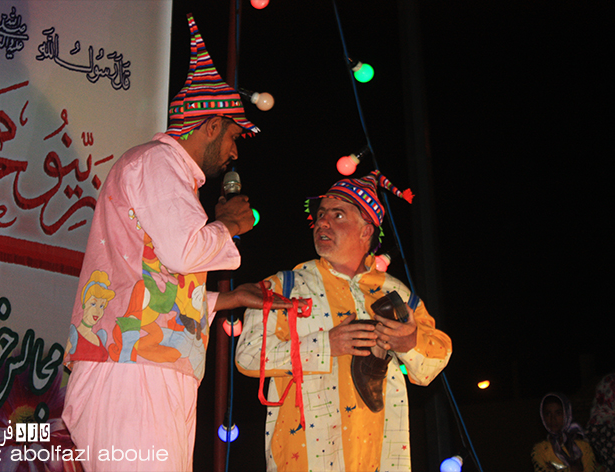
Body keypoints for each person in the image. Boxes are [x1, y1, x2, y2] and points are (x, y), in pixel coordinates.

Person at [61, 14, 289, 472]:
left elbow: (156, 279)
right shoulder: (158, 162)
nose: (235, 152)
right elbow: (184, 252)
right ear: (211, 125)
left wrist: (227, 299)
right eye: (234, 137)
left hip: (147, 365)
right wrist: (227, 225)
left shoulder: (167, 174)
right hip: (133, 369)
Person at [235, 171, 452, 471]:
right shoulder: (284, 287)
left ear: (366, 231)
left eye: (337, 215)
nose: (322, 222)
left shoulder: (397, 294)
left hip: (380, 461)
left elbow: (435, 361)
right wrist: (325, 345)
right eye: (321, 215)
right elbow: (247, 355)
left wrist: (409, 341)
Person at [531, 392, 599, 472]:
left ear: (567, 414)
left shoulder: (583, 447)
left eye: (558, 413)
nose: (553, 419)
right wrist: (572, 469)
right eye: (548, 414)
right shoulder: (540, 450)